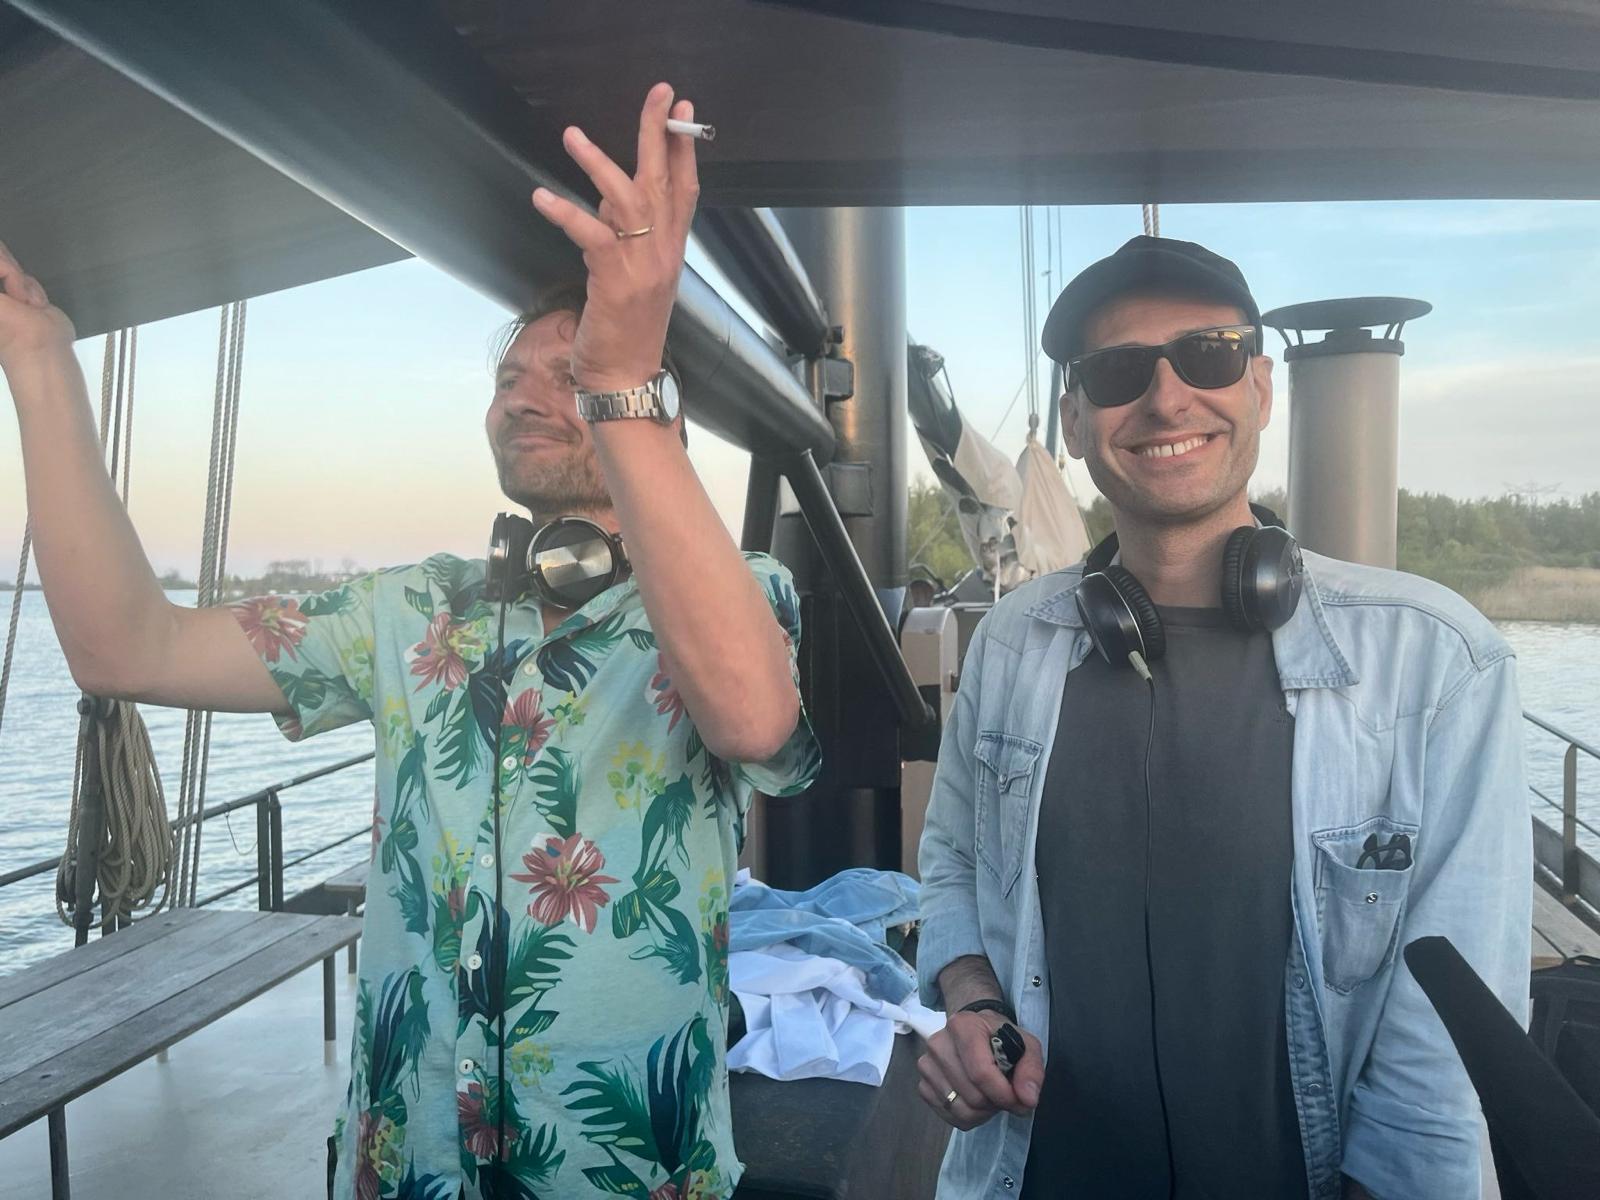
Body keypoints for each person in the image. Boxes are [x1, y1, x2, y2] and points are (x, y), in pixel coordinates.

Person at [0, 83, 820, 1200]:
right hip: (408, 1166)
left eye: (571, 376)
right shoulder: (410, 610)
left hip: (629, 1171)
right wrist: (40, 361)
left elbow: (755, 720)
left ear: (651, 411)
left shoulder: (747, 590)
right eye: (509, 378)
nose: (524, 398)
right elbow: (125, 647)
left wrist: (620, 370)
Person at [914, 235, 1531, 1199]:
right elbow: (953, 855)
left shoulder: (1438, 664)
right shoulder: (1010, 646)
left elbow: (1448, 1032)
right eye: (1118, 372)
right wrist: (971, 999)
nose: (1166, 400)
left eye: (1207, 355)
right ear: (1074, 419)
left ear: (1261, 387)